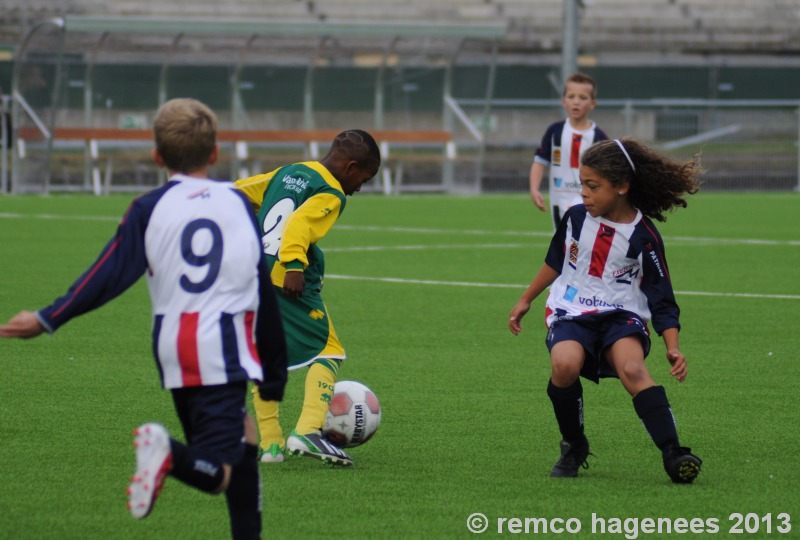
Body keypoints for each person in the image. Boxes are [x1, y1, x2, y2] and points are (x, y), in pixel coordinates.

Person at [0, 98, 288, 539]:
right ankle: (168, 454)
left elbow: (108, 275)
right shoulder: (237, 205)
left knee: (243, 441)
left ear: (156, 157)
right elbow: (262, 291)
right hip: (223, 350)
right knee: (217, 468)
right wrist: (275, 369)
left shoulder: (148, 208)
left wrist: (47, 317)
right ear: (215, 154)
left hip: (176, 350)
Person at [508, 137, 703, 483]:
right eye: (582, 184)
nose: (583, 192)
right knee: (564, 363)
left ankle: (674, 452)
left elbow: (662, 298)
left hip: (620, 314)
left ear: (622, 187)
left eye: (593, 186)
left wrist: (673, 346)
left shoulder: (644, 236)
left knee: (633, 369)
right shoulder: (575, 218)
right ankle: (574, 444)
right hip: (571, 310)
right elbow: (556, 260)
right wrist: (527, 298)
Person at [234, 129, 381, 467]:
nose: (360, 186)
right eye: (364, 178)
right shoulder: (331, 192)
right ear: (351, 166)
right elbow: (299, 224)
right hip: (283, 277)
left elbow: (240, 192)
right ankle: (309, 431)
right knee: (329, 351)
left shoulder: (290, 171)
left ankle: (271, 445)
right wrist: (295, 265)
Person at [530, 72, 609, 229]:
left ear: (592, 103)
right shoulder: (554, 132)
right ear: (563, 101)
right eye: (571, 97)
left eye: (582, 98)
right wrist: (534, 189)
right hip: (559, 197)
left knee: (579, 242)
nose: (576, 102)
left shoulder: (599, 137)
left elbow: (607, 172)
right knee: (563, 245)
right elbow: (540, 161)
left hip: (587, 198)